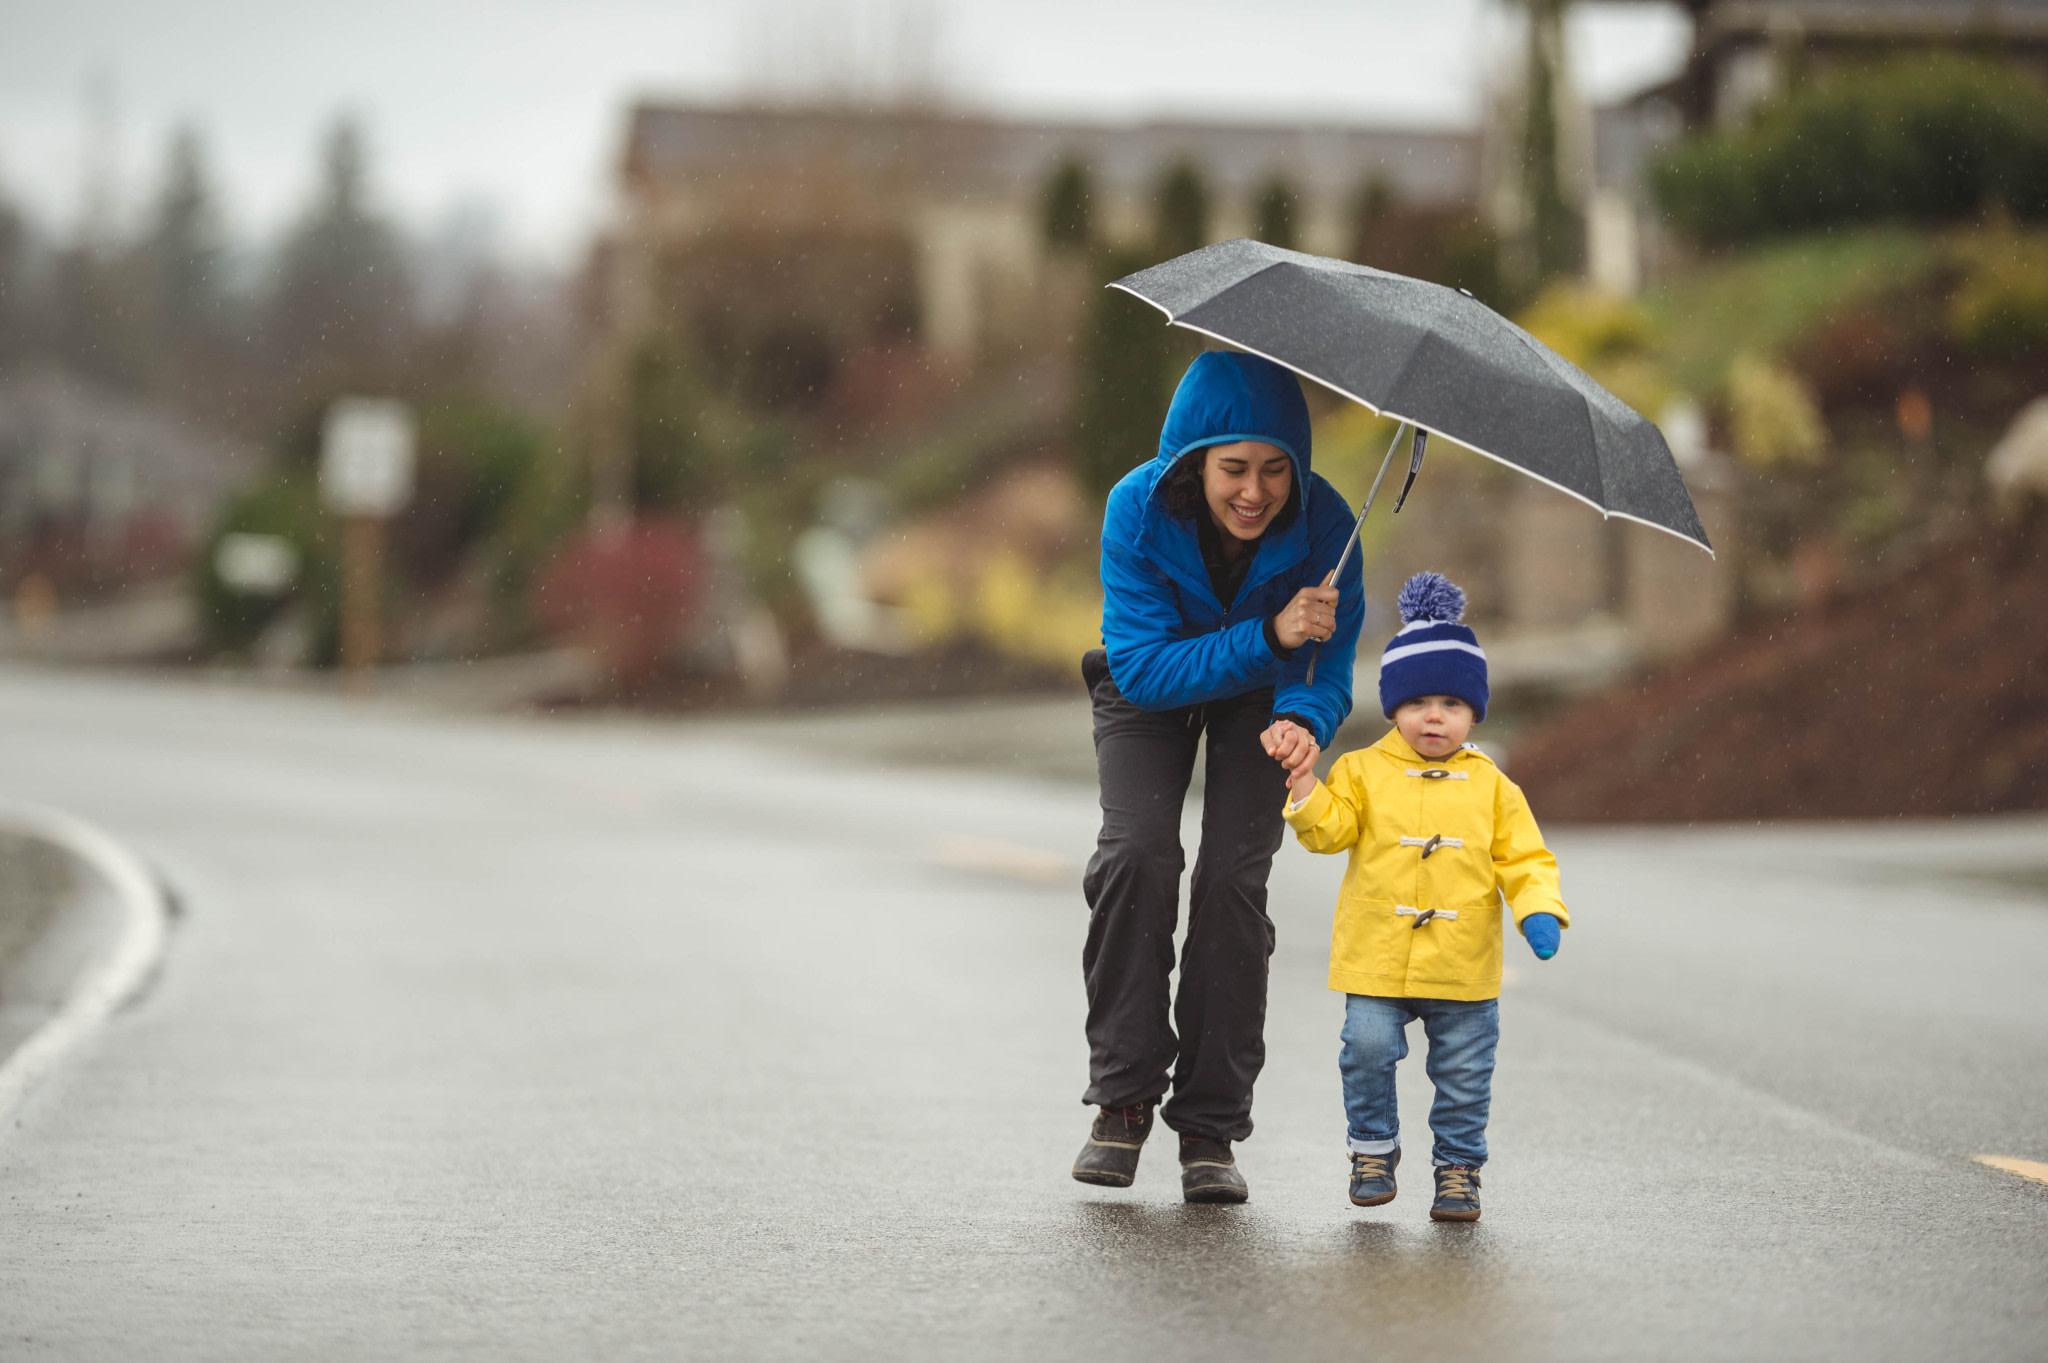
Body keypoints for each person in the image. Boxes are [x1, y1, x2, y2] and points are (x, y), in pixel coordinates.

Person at [1072, 350, 1364, 1204]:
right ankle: (1122, 1102)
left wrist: (1304, 722)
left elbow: (1328, 667)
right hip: (1149, 681)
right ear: (1194, 462)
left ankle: (1209, 1124)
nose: (1255, 490)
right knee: (1137, 855)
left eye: (1277, 469)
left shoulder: (1329, 528)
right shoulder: (1134, 509)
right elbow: (1150, 670)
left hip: (1258, 701)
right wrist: (1271, 634)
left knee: (1234, 882)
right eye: (1234, 467)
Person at [1275, 571, 1566, 1222]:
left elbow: (1525, 856)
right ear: (1394, 706)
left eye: (1452, 704)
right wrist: (1305, 789)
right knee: (1367, 1048)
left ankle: (1458, 1170)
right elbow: (1330, 832)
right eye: (1419, 702)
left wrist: (1538, 907)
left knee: (1464, 1076)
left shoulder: (1493, 787)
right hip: (1376, 958)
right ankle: (1373, 1147)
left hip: (1463, 965)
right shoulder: (1361, 771)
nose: (1435, 715)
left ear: (1474, 711)